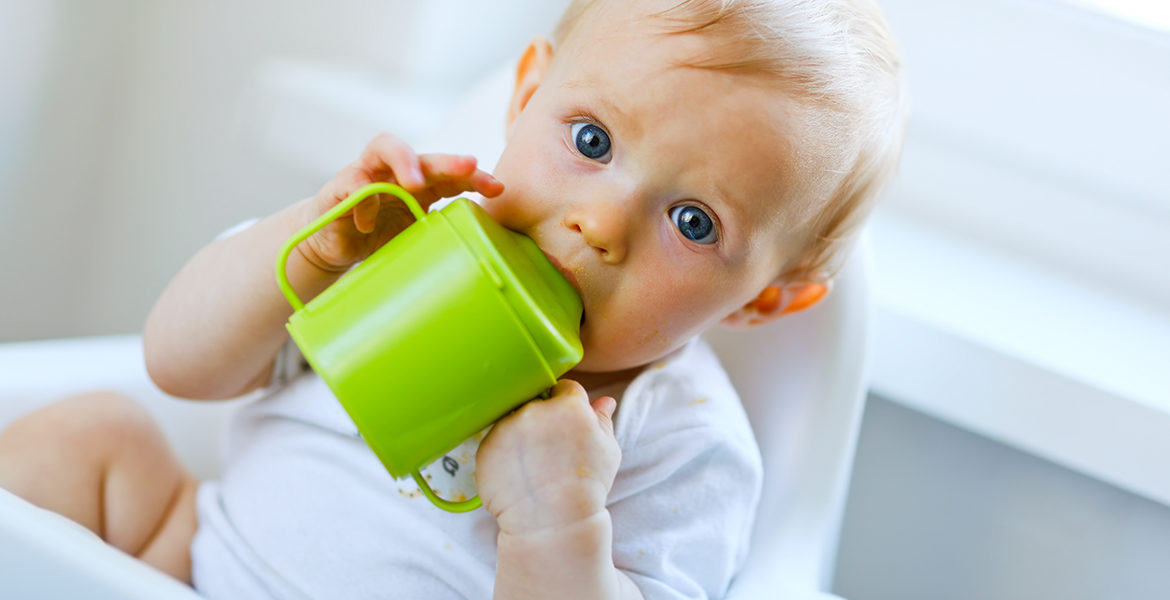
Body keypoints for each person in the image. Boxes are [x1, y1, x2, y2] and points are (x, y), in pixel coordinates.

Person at [0, 0, 905, 597]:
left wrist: (558, 521)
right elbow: (178, 366)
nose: (598, 225)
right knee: (91, 436)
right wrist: (307, 252)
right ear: (524, 96)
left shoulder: (682, 446)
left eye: (696, 223)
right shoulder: (404, 254)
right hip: (191, 565)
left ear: (765, 302)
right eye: (590, 139)